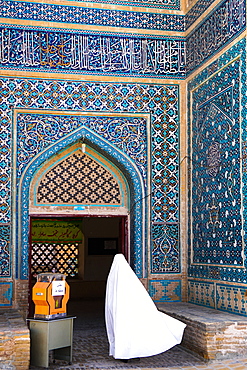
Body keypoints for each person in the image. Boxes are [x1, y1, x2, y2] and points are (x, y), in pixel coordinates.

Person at [105, 253, 186, 360]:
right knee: (132, 331)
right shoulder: (130, 278)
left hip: (119, 312)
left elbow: (110, 298)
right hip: (129, 310)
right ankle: (133, 353)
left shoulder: (113, 279)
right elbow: (139, 295)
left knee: (121, 330)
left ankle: (123, 353)